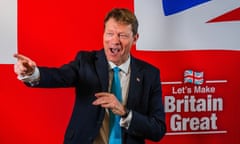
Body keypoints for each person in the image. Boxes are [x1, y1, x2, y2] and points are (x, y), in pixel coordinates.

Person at [14, 8, 166, 144]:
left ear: (135, 38)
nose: (115, 40)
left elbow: (158, 129)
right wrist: (32, 73)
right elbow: (58, 75)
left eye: (122, 35)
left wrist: (125, 112)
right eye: (110, 33)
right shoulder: (86, 62)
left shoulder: (149, 75)